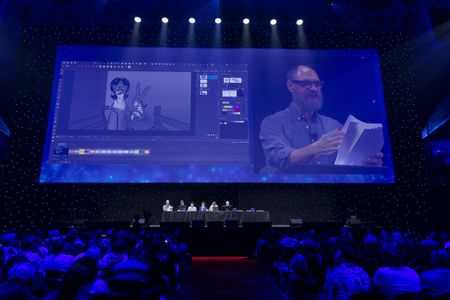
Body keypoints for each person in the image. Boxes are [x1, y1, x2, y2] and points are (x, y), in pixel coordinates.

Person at [259, 65, 382, 173]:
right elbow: (280, 159)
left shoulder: (334, 126)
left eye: (317, 84)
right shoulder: (272, 122)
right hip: (286, 192)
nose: (313, 88)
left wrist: (367, 164)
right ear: (291, 86)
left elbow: (345, 166)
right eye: (306, 83)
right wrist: (316, 148)